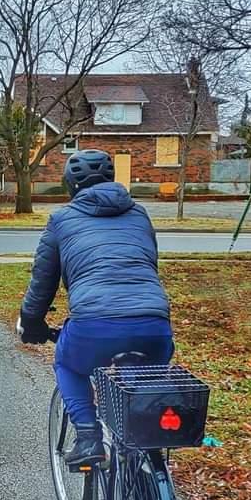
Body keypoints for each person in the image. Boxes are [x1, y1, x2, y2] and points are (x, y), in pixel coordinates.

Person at [18, 149, 173, 469]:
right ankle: (141, 466)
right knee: (136, 387)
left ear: (69, 185)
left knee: (68, 364)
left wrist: (31, 321)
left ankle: (88, 437)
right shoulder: (139, 213)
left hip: (93, 323)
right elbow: (149, 263)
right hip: (154, 325)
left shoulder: (61, 220)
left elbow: (42, 282)